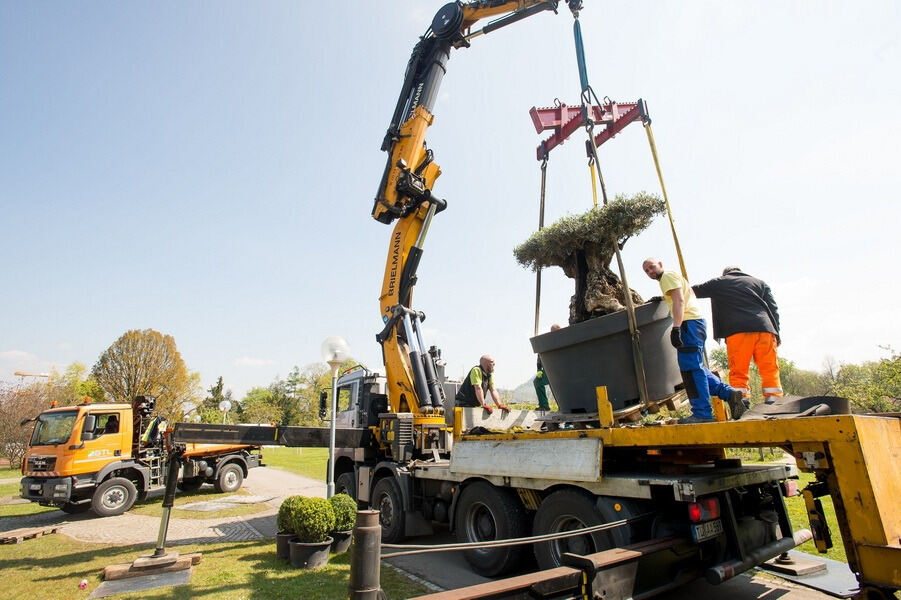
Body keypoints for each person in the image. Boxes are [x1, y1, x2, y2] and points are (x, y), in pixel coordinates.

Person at [642, 258, 746, 423]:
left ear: (661, 264)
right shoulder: (669, 278)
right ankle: (730, 394)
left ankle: (702, 413)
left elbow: (679, 300)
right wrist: (662, 298)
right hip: (694, 324)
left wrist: (676, 328)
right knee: (696, 367)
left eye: (651, 267)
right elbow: (679, 295)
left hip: (688, 324)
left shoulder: (667, 276)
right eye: (646, 271)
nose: (650, 272)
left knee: (690, 369)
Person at [693, 267, 782, 404]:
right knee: (769, 367)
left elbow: (693, 291)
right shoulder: (759, 283)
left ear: (725, 274)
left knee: (739, 370)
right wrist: (777, 333)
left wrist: (667, 295)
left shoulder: (720, 282)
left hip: (738, 331)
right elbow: (773, 309)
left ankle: (741, 403)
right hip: (765, 329)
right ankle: (774, 400)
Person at [534, 324, 561, 411]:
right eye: (554, 332)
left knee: (559, 387)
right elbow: (539, 355)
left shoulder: (563, 339)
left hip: (560, 370)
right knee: (537, 382)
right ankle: (544, 406)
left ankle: (562, 407)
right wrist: (539, 369)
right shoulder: (546, 341)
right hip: (547, 370)